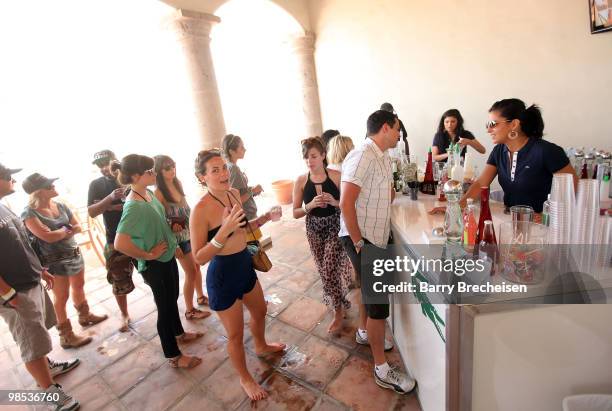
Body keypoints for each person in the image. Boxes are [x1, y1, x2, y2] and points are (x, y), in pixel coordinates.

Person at [190, 149, 285, 401]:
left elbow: (243, 231)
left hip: (243, 264)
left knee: (260, 311)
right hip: (222, 274)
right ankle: (245, 378)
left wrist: (265, 218)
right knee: (234, 334)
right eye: (215, 170)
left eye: (224, 167)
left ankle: (261, 345)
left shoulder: (233, 194)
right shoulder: (199, 210)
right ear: (202, 177)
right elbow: (198, 257)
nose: (223, 173)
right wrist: (222, 233)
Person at [339, 110, 416, 394]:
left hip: (374, 236)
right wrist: (360, 243)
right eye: (397, 129)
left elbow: (386, 193)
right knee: (378, 306)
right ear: (385, 128)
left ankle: (364, 332)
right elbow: (346, 202)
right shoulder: (362, 155)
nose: (399, 134)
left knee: (370, 295)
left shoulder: (382, 156)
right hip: (363, 238)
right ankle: (382, 369)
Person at [0, 163, 80, 411]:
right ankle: (48, 392)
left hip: (30, 279)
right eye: (7, 177)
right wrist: (7, 293)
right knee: (31, 342)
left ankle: (48, 368)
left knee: (39, 332)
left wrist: (39, 269)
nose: (12, 180)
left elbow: (20, 244)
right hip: (14, 290)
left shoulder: (3, 207)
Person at [113, 154, 203, 369]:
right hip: (155, 263)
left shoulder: (149, 195)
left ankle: (179, 333)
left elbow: (157, 221)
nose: (154, 174)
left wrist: (170, 228)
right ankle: (173, 354)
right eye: (149, 171)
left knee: (171, 298)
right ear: (135, 176)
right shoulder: (133, 205)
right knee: (164, 307)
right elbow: (120, 242)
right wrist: (148, 255)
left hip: (167, 255)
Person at [432, 99, 577, 214]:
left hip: (544, 229)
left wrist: (547, 216)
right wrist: (455, 209)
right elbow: (481, 183)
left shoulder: (547, 151)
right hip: (511, 221)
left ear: (514, 124)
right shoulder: (498, 151)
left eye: (493, 124)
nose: (488, 130)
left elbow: (574, 191)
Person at [22, 173, 107, 349]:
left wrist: (59, 231)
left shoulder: (60, 205)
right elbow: (47, 237)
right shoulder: (29, 213)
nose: (53, 186)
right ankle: (66, 336)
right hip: (54, 262)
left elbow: (78, 226)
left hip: (74, 253)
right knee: (61, 297)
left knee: (79, 286)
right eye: (48, 185)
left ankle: (85, 316)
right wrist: (65, 229)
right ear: (38, 192)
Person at [292, 137, 352, 334]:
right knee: (324, 271)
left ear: (323, 156)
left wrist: (335, 202)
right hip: (314, 228)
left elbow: (348, 203)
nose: (309, 161)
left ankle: (337, 312)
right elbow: (295, 212)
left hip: (334, 226)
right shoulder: (301, 181)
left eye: (313, 156)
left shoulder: (336, 176)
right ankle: (339, 302)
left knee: (328, 269)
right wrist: (310, 206)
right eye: (306, 157)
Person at [153, 154, 210, 320]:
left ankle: (200, 297)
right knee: (190, 272)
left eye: (173, 165)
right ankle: (189, 309)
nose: (172, 170)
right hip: (177, 239)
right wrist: (174, 245)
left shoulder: (177, 184)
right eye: (167, 168)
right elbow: (160, 221)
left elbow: (187, 210)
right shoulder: (159, 192)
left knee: (197, 267)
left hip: (189, 233)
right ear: (158, 171)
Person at [87, 150, 133, 332]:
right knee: (119, 280)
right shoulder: (96, 185)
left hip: (139, 237)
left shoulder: (129, 177)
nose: (104, 168)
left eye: (106, 163)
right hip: (114, 239)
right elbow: (92, 211)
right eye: (99, 165)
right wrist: (110, 199)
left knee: (152, 275)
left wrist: (114, 206)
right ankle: (124, 314)